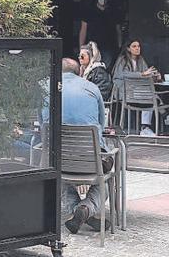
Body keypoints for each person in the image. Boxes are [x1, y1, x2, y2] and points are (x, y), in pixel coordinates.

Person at [60, 58, 112, 234]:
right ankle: (86, 209)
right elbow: (101, 125)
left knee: (58, 178)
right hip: (91, 160)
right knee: (103, 179)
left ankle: (78, 211)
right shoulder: (92, 88)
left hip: (60, 159)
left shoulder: (48, 89)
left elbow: (44, 124)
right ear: (79, 72)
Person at [112, 38, 160, 136]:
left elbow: (146, 74)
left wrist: (154, 76)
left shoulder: (141, 60)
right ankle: (161, 113)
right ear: (128, 49)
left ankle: (145, 126)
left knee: (149, 95)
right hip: (125, 91)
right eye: (134, 46)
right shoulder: (123, 60)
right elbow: (123, 74)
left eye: (138, 46)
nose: (137, 48)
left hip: (138, 91)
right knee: (151, 96)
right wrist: (142, 74)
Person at [79, 0, 121, 68]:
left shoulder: (113, 12)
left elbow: (118, 30)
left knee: (106, 68)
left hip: (108, 47)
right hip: (92, 46)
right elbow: (83, 30)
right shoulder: (89, 12)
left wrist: (119, 46)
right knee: (91, 68)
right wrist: (81, 47)